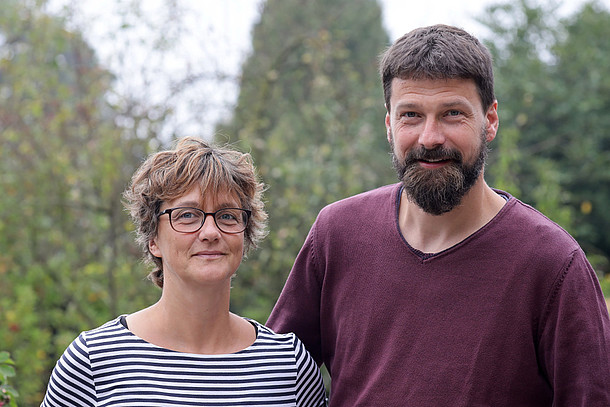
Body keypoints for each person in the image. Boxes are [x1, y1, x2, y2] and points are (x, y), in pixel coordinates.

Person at [267, 24, 610, 406]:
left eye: (452, 114)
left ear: (490, 120)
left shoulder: (552, 265)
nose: (430, 138)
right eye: (411, 115)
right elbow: (274, 380)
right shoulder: (337, 234)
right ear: (388, 124)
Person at [41, 137, 327, 406]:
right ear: (153, 240)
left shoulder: (290, 367)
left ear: (245, 233)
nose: (211, 232)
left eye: (227, 216)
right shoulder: (93, 362)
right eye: (188, 215)